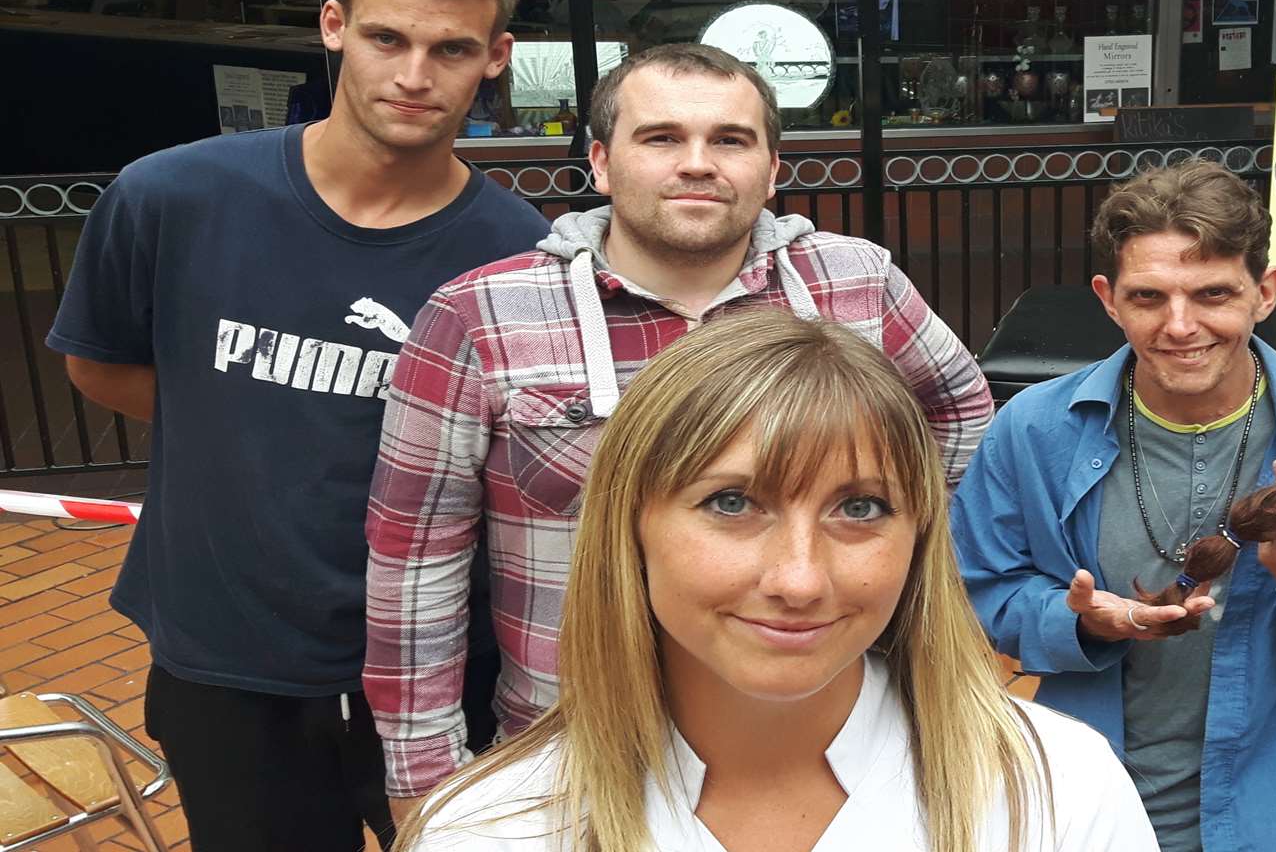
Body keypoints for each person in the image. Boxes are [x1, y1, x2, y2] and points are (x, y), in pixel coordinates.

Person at [366, 42, 995, 810]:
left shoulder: (855, 284)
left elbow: (964, 418)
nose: (698, 163)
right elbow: (415, 561)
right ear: (599, 162)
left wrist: (874, 541)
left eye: (730, 140)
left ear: (770, 170)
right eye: (661, 138)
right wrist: (424, 777)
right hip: (577, 749)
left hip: (827, 745)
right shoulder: (481, 317)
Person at [46, 0, 548, 851]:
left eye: (451, 48)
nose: (412, 75)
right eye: (386, 38)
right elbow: (99, 365)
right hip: (229, 657)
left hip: (445, 661)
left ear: (495, 57)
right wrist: (258, 414)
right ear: (332, 26)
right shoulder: (171, 197)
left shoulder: (520, 253)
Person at [394, 309, 1157, 851]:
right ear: (630, 525)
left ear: (920, 536)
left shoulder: (1056, 793)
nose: (799, 579)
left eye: (860, 507)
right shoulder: (489, 829)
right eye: (732, 503)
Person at [950, 159, 1276, 852]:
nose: (1180, 326)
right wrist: (1088, 625)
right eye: (1148, 297)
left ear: (1265, 292)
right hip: (1097, 811)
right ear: (1108, 298)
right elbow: (986, 593)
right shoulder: (1034, 430)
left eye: (1213, 294)